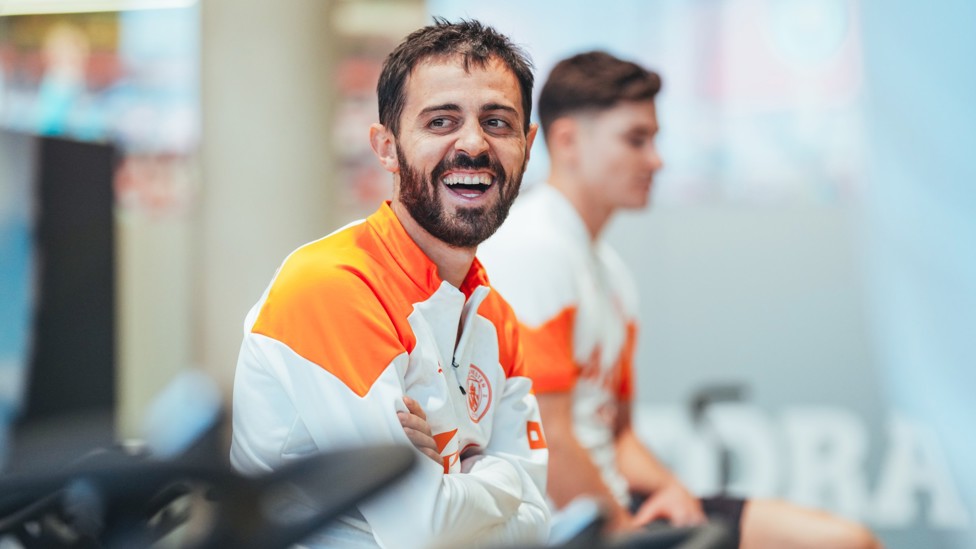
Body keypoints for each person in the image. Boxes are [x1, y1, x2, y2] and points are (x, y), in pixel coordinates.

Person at [478, 51, 883, 549]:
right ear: (567, 141)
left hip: (619, 504)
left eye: (655, 139)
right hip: (562, 523)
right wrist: (628, 534)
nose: (657, 159)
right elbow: (551, 444)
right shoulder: (532, 246)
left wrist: (674, 492)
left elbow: (619, 435)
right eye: (635, 139)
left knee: (847, 542)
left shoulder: (612, 274)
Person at [230, 19, 549, 549]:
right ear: (386, 147)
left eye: (497, 122)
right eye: (441, 121)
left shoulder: (493, 313)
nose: (473, 144)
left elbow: (536, 525)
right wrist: (503, 478)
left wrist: (457, 490)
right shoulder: (332, 287)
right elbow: (422, 531)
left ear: (527, 144)